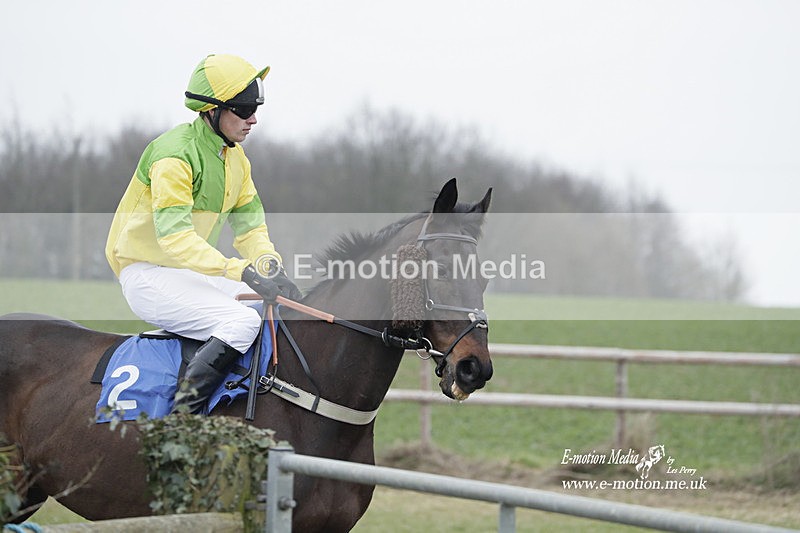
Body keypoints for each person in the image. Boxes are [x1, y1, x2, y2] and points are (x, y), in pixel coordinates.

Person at [105, 53, 301, 414]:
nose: (253, 118)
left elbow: (251, 227)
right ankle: (183, 423)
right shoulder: (174, 156)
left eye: (256, 107)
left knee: (275, 307)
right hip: (146, 275)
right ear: (212, 110)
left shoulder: (236, 160)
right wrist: (240, 270)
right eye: (243, 109)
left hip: (188, 274)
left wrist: (269, 265)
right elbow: (175, 239)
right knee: (241, 320)